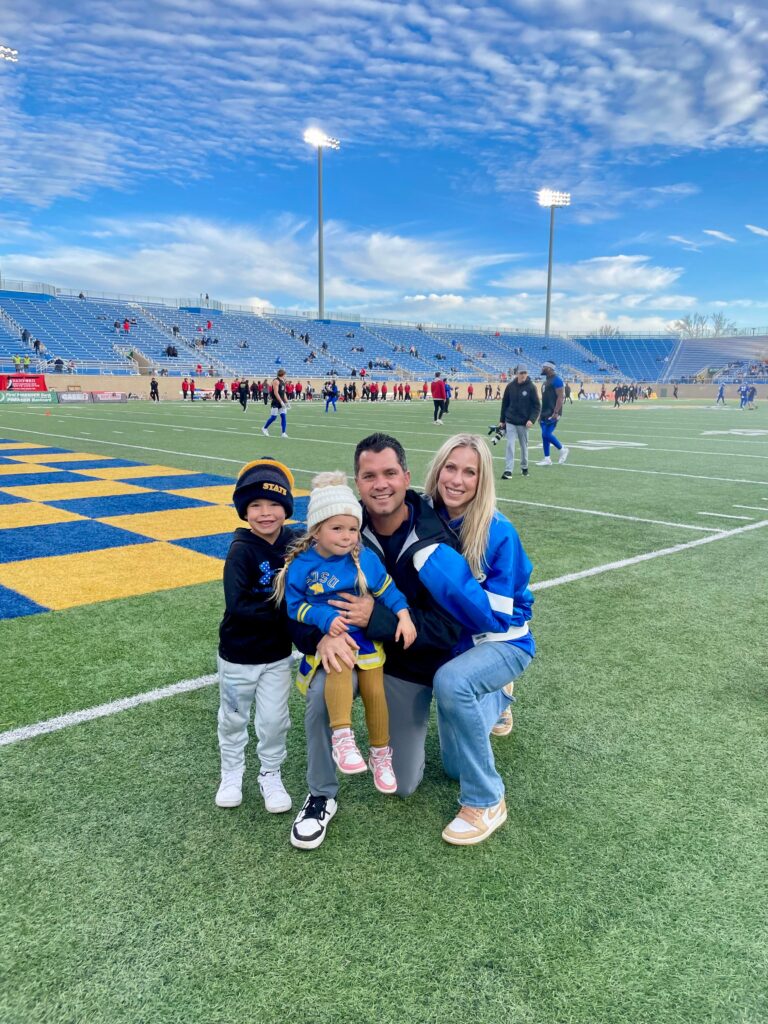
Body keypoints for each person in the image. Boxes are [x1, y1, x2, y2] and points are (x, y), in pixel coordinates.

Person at [288, 433, 464, 850]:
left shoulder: (437, 536)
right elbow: (294, 603)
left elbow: (448, 628)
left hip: (406, 667)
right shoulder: (335, 526)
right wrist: (318, 638)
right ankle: (320, 795)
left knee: (403, 785)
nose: (380, 484)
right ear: (357, 481)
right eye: (369, 476)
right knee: (321, 692)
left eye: (389, 473)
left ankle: (467, 709)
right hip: (348, 651)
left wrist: (380, 619)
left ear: (406, 477)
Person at [420, 434, 534, 844]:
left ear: (482, 479)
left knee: (452, 682)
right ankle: (499, 698)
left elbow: (498, 617)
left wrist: (442, 574)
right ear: (437, 469)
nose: (457, 479)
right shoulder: (425, 516)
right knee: (453, 767)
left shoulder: (498, 530)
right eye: (451, 468)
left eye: (470, 471)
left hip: (504, 641)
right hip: (456, 644)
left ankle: (487, 799)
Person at [276, 472, 417, 797]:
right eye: (336, 528)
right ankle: (343, 738)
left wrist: (404, 616)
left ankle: (381, 753)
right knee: (337, 665)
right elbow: (294, 607)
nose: (346, 536)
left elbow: (388, 591)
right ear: (316, 530)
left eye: (352, 529)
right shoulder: (301, 565)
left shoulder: (364, 559)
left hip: (367, 642)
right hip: (333, 644)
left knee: (375, 692)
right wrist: (323, 618)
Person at [216, 459, 299, 813]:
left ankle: (270, 773)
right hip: (238, 655)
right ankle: (232, 772)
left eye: (274, 504)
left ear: (287, 509)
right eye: (255, 505)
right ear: (244, 511)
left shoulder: (297, 541)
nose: (266, 513)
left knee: (274, 720)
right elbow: (238, 605)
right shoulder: (241, 551)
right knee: (234, 717)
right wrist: (292, 609)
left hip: (278, 655)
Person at [499, 364, 541, 479]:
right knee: (510, 445)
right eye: (521, 373)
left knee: (523, 446)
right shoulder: (510, 386)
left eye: (525, 373)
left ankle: (524, 467)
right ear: (517, 373)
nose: (523, 375)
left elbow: (537, 406)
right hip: (511, 421)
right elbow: (505, 404)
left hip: (524, 423)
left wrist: (531, 420)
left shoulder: (531, 387)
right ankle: (508, 470)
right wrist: (502, 420)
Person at [537, 362, 568, 466]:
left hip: (553, 412)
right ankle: (547, 459)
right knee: (544, 435)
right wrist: (540, 413)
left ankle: (562, 449)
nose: (542, 368)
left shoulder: (557, 380)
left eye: (544, 367)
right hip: (545, 412)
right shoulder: (546, 381)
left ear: (549, 368)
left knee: (546, 434)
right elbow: (545, 399)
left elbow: (560, 397)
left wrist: (556, 412)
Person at [262, 367, 289, 437]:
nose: (286, 376)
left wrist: (287, 402)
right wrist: (281, 402)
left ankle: (283, 433)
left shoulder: (283, 381)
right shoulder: (276, 381)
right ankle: (264, 428)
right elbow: (276, 392)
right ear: (282, 374)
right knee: (274, 417)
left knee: (283, 416)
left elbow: (284, 393)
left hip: (281, 401)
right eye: (285, 374)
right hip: (276, 401)